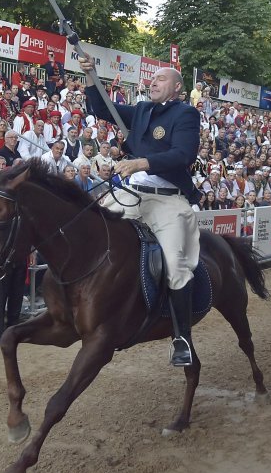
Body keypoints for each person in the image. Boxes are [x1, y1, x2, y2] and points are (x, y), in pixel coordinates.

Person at [81, 57, 201, 367]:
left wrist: (140, 162)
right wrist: (91, 76)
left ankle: (182, 338)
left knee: (176, 263)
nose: (153, 81)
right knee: (87, 226)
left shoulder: (187, 114)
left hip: (167, 198)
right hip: (132, 192)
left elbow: (183, 154)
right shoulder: (143, 110)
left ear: (176, 87)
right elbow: (103, 108)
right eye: (153, 78)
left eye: (161, 79)